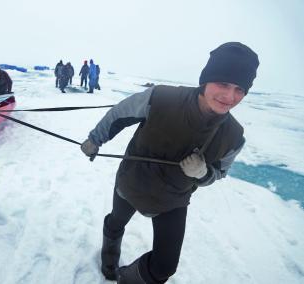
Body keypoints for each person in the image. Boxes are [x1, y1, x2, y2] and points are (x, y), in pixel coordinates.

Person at [81, 42, 259, 283]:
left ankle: (127, 279)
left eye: (240, 89)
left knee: (165, 267)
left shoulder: (234, 136)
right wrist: (95, 139)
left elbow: (220, 172)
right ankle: (109, 257)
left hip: (173, 200)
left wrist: (203, 172)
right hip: (133, 182)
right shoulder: (161, 97)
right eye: (223, 84)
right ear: (206, 80)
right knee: (115, 223)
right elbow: (120, 113)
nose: (230, 96)